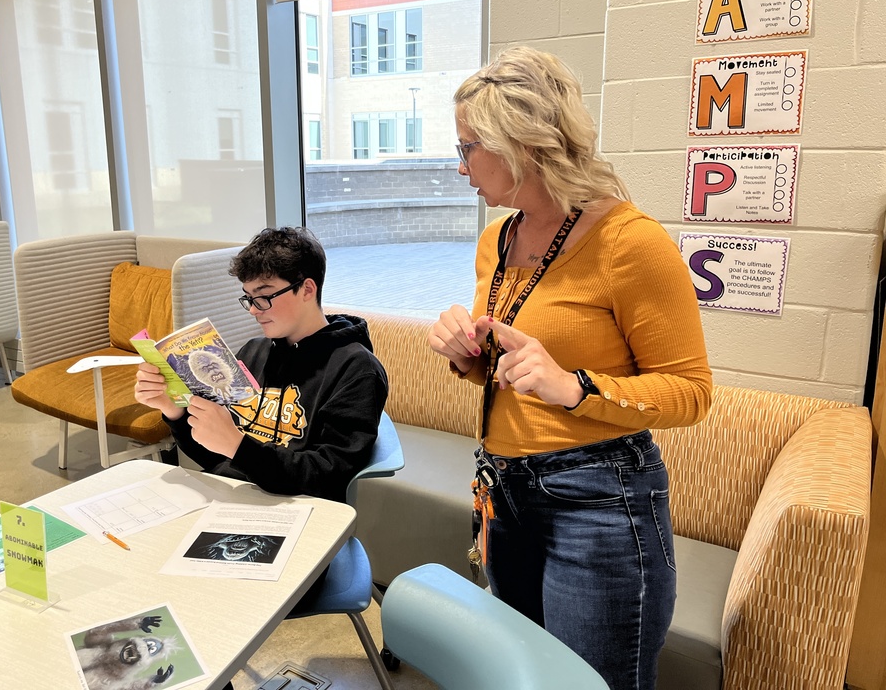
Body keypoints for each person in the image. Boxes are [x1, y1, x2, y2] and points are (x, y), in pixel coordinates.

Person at [428, 46, 712, 690]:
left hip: (599, 501)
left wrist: (573, 386)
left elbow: (692, 393)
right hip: (506, 490)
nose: (461, 166)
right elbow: (509, 366)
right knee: (525, 676)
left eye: (469, 147)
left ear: (521, 144)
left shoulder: (630, 242)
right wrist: (470, 358)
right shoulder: (496, 239)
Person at [134, 226, 388, 504]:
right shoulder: (253, 352)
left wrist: (239, 448)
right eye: (249, 298)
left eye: (264, 296)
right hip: (234, 499)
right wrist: (174, 412)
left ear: (307, 289)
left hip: (303, 509)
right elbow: (216, 456)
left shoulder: (356, 368)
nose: (254, 309)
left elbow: (329, 476)